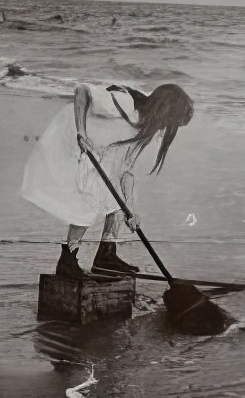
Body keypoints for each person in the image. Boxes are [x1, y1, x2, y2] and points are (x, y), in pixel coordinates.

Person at [21, 82, 193, 277]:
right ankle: (67, 260)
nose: (165, 128)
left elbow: (126, 171)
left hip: (97, 150)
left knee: (117, 206)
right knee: (88, 202)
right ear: (163, 110)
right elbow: (82, 92)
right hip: (72, 136)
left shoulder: (142, 127)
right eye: (170, 122)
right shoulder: (125, 104)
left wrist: (132, 211)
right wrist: (81, 133)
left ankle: (106, 256)